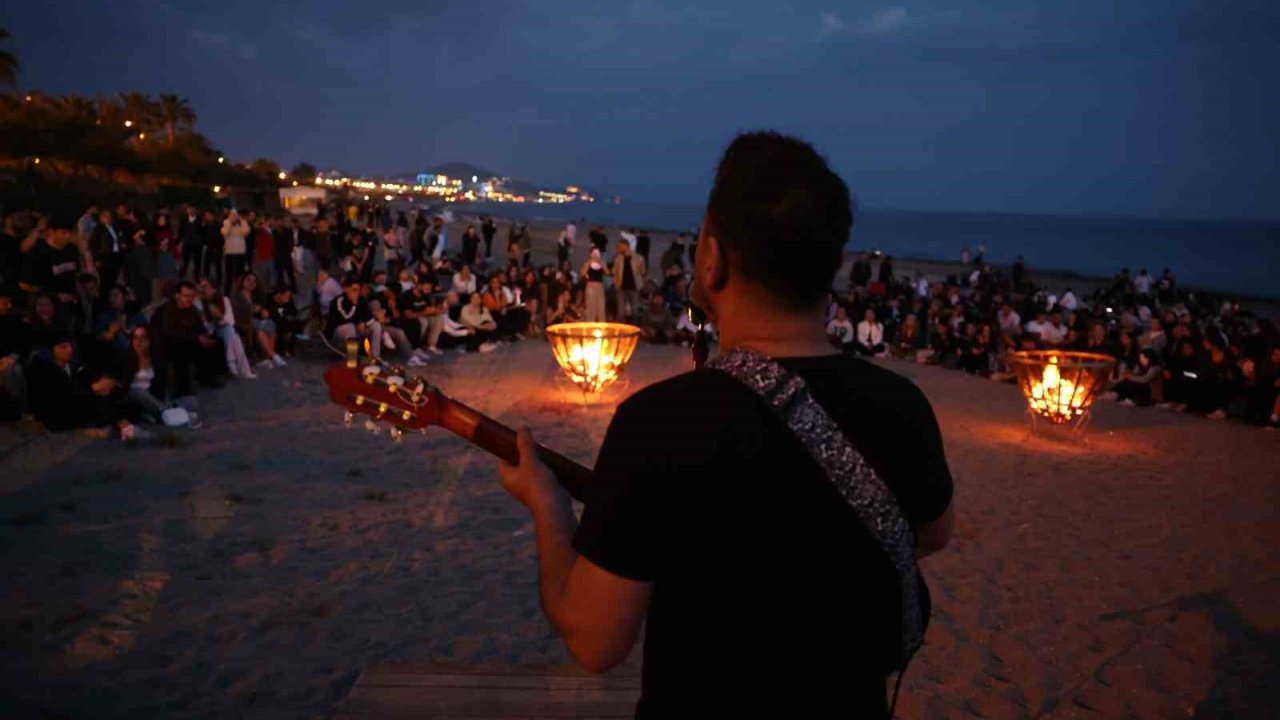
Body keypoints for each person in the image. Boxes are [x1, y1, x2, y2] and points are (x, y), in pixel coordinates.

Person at [496, 131, 953, 717]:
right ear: (833, 267)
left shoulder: (659, 424)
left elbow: (594, 640)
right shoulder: (903, 405)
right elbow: (933, 534)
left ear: (711, 258)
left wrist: (546, 506)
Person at [26, 333, 145, 439]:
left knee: (114, 397)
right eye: (63, 347)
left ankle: (122, 425)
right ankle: (122, 426)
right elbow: (62, 397)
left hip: (77, 402)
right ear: (52, 350)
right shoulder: (43, 370)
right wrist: (95, 388)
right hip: (57, 412)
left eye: (70, 346)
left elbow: (85, 374)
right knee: (98, 398)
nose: (69, 350)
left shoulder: (71, 363)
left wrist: (102, 382)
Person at [150, 281, 224, 396]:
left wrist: (205, 335)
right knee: (182, 353)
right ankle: (183, 391)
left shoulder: (191, 309)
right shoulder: (167, 309)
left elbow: (200, 326)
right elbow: (171, 334)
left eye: (192, 296)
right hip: (167, 345)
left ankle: (208, 377)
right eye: (186, 296)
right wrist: (196, 338)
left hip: (188, 340)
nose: (189, 299)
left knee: (217, 342)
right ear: (177, 295)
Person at [197, 278, 257, 379]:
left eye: (205, 287)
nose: (203, 290)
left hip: (224, 328)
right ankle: (240, 368)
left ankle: (234, 366)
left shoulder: (224, 300)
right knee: (232, 335)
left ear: (213, 289)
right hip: (209, 330)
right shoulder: (199, 302)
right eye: (201, 287)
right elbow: (204, 324)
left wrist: (216, 312)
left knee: (230, 333)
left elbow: (228, 320)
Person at [232, 274, 286, 368]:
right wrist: (252, 309)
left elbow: (260, 307)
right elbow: (238, 310)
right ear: (243, 281)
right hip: (243, 321)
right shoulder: (237, 295)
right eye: (248, 280)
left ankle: (267, 358)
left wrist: (261, 310)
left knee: (270, 325)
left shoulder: (255, 295)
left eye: (253, 281)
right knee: (261, 329)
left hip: (255, 320)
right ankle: (273, 356)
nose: (251, 283)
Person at [327, 279, 382, 359]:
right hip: (339, 330)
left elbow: (369, 319)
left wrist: (364, 323)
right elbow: (345, 318)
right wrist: (353, 304)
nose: (356, 292)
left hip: (356, 329)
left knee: (376, 325)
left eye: (358, 290)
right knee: (350, 327)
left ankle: (375, 356)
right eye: (353, 290)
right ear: (346, 289)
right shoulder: (339, 301)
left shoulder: (361, 300)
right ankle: (352, 359)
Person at [89, 209, 128, 289]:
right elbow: (92, 245)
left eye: (110, 216)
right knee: (105, 280)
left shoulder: (115, 227)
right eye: (106, 216)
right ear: (102, 218)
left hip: (117, 256)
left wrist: (123, 244)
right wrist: (96, 259)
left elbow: (121, 237)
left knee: (114, 278)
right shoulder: (98, 229)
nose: (109, 218)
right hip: (105, 257)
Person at [611, 239, 645, 323]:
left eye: (619, 246)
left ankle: (635, 327)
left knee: (635, 310)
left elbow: (642, 272)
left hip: (634, 287)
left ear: (626, 246)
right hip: (621, 287)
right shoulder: (618, 259)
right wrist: (615, 283)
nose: (617, 249)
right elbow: (614, 271)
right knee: (621, 311)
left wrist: (642, 285)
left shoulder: (638, 258)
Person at [220, 209, 250, 293]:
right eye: (233, 215)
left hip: (240, 253)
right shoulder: (226, 222)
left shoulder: (242, 222)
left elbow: (246, 232)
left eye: (236, 215)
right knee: (228, 275)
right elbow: (225, 233)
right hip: (230, 253)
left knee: (240, 275)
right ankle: (227, 293)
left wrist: (240, 223)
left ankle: (239, 292)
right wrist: (231, 224)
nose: (235, 216)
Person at [178, 205, 204, 280]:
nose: (191, 211)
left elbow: (202, 231)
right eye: (189, 209)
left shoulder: (200, 219)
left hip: (197, 244)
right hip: (187, 243)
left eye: (193, 209)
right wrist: (180, 241)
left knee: (197, 262)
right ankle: (182, 277)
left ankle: (197, 278)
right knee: (185, 261)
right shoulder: (183, 220)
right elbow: (181, 231)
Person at [582, 248, 608, 322]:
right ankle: (590, 323)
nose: (595, 255)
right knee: (591, 307)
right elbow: (583, 273)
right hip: (591, 286)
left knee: (601, 306)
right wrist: (589, 262)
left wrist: (602, 263)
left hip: (600, 286)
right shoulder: (588, 263)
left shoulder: (601, 263)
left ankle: (602, 324)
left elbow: (607, 272)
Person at [200, 209, 224, 288]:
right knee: (206, 265)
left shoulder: (218, 225)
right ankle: (205, 281)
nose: (207, 217)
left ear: (212, 216)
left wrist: (218, 246)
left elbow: (221, 237)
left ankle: (218, 282)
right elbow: (203, 236)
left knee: (217, 266)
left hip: (216, 248)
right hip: (208, 247)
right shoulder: (206, 225)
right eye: (206, 216)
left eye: (208, 216)